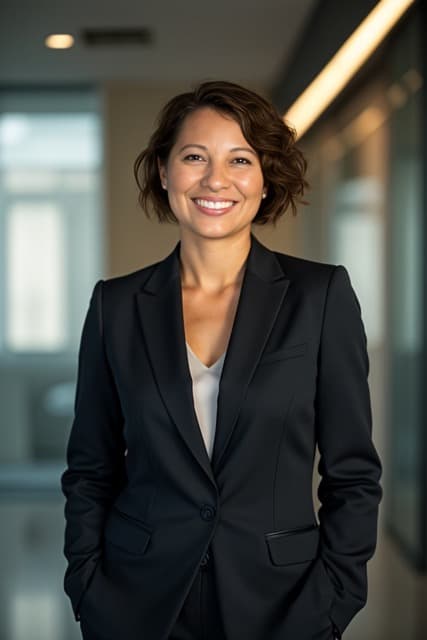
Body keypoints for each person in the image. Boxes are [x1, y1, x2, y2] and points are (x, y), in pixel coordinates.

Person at [61, 80, 382, 640]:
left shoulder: (319, 296)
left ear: (265, 179)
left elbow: (353, 473)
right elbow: (91, 469)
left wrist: (334, 600)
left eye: (240, 159)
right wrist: (88, 588)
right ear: (164, 172)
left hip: (283, 606)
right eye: (193, 157)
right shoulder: (115, 306)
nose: (215, 179)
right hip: (138, 604)